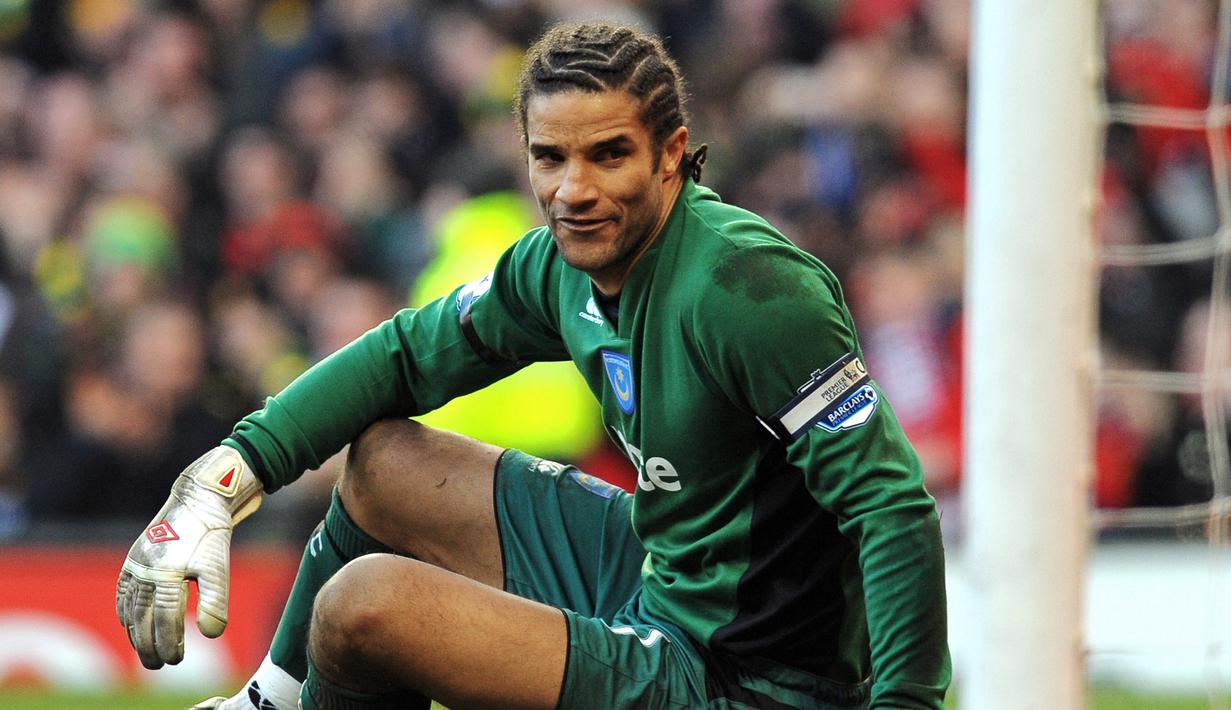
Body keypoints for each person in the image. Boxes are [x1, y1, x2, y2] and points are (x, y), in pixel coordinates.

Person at [116, 22, 950, 709]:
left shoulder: (748, 290)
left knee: (362, 606)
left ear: (671, 153)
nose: (572, 190)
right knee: (382, 462)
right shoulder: (556, 266)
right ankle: (271, 699)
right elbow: (402, 357)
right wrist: (224, 477)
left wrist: (906, 705)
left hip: (751, 681)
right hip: (658, 584)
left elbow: (888, 506)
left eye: (608, 155)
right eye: (549, 158)